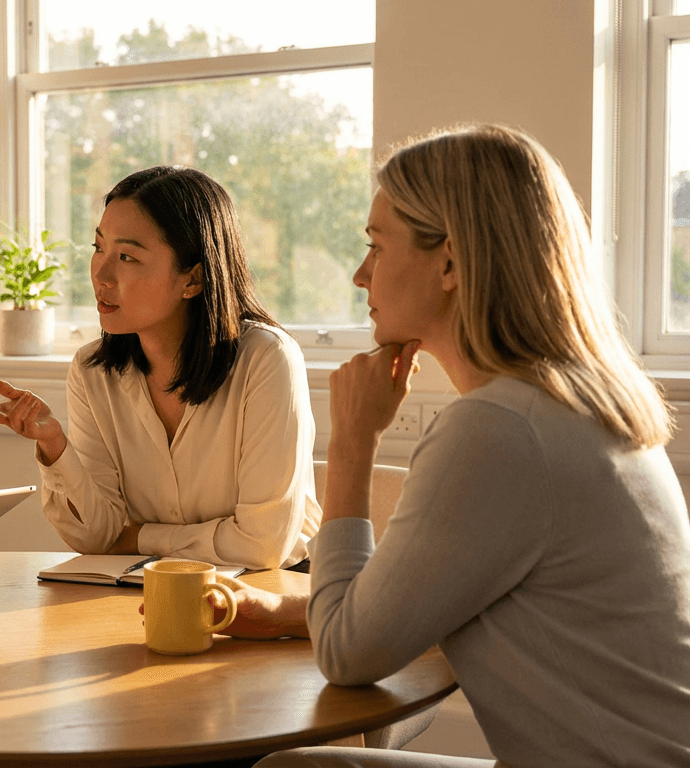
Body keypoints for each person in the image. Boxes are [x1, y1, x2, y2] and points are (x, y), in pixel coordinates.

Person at [239, 125, 690, 767]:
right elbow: (411, 599)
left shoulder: (500, 431)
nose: (360, 274)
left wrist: (353, 443)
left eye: (376, 247)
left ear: (449, 263)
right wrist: (285, 611)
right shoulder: (577, 403)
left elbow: (346, 654)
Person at [0, 166, 321, 570]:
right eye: (98, 248)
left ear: (193, 279)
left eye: (127, 257)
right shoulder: (91, 371)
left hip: (272, 591)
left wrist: (139, 537)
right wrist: (55, 445)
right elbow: (97, 537)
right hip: (145, 589)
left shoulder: (267, 359)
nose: (101, 274)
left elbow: (263, 546)